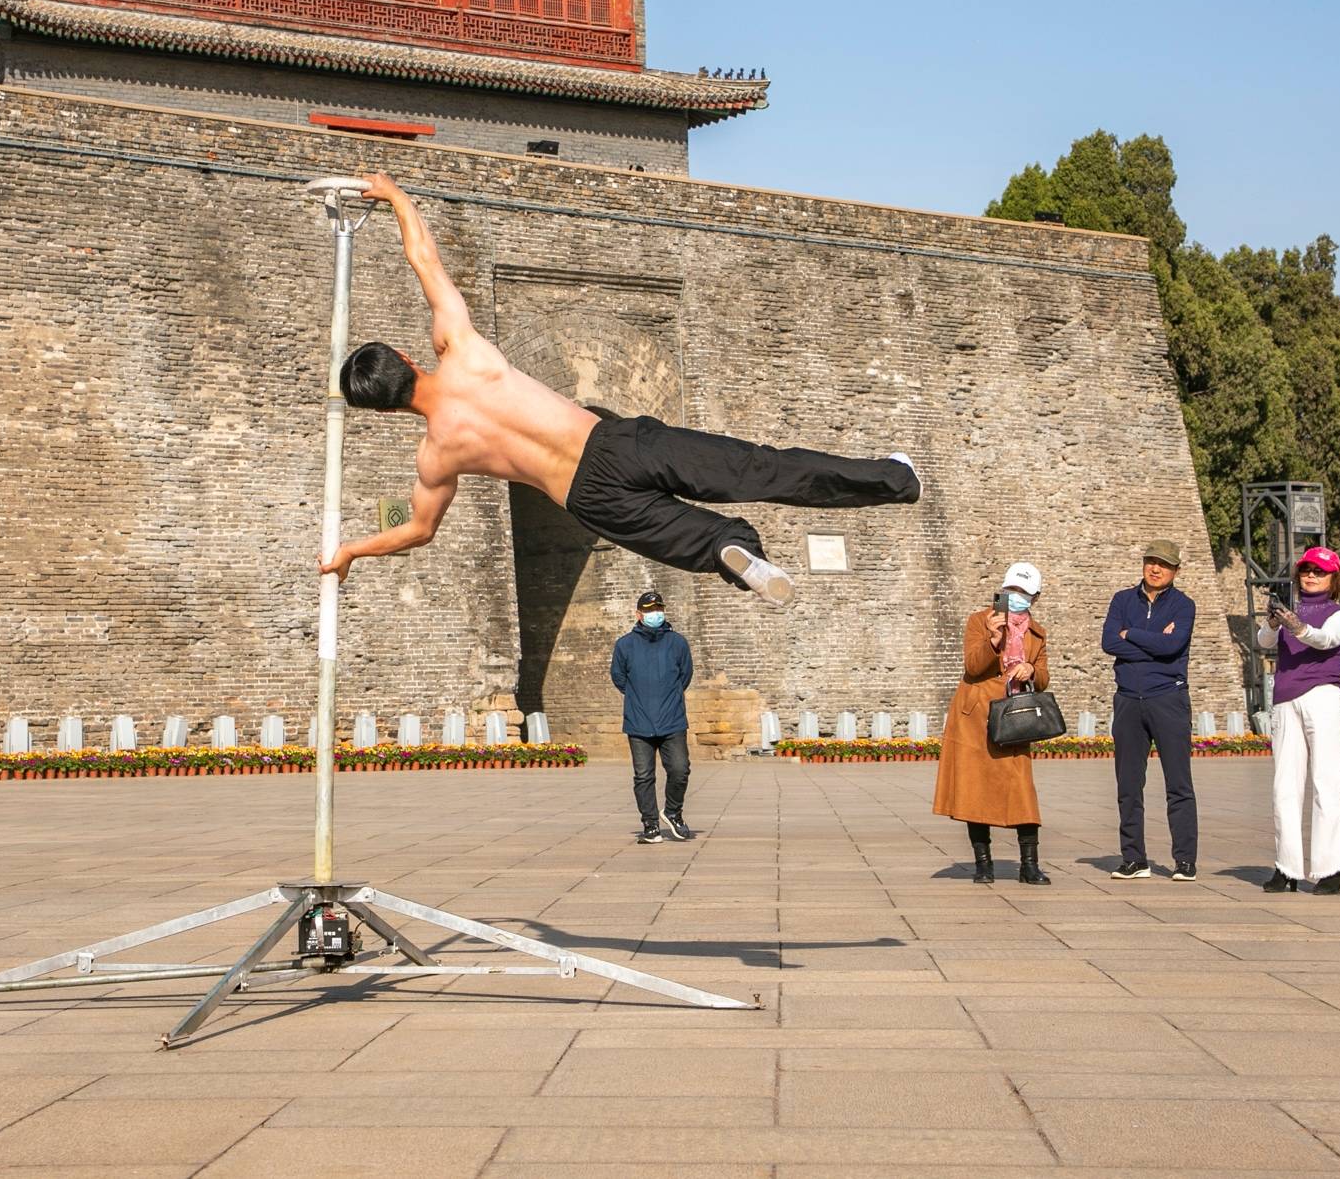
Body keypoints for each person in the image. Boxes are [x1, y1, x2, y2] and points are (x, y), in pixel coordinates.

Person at [323, 176, 919, 608]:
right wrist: (395, 195)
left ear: (384, 409)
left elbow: (418, 532)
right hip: (616, 444)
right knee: (759, 468)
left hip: (586, 498)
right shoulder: (461, 352)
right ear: (405, 359)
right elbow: (423, 259)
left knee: (701, 541)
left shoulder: (437, 455)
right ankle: (894, 478)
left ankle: (733, 552)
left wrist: (353, 549)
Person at [934, 561, 1053, 885]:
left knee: (1022, 789)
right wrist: (993, 638)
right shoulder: (979, 621)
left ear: (1035, 597)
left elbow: (1043, 677)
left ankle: (1029, 865)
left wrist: (1031, 669)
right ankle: (982, 864)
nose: (1016, 597)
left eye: (1024, 593)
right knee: (976, 790)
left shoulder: (1036, 633)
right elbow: (973, 667)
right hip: (975, 717)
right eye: (1012, 590)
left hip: (1014, 717)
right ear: (1002, 589)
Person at [1259, 547, 1340, 894]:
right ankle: (1287, 866)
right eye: (1306, 570)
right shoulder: (1289, 609)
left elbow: (1326, 639)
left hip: (1323, 695)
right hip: (1286, 697)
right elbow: (1263, 642)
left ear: (1333, 578)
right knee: (1284, 786)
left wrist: (1297, 626)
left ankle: (1332, 868)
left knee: (1327, 782)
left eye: (1320, 571)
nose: (1311, 576)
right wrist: (1273, 622)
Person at [1103, 538, 1198, 881]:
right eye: (1151, 561)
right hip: (1128, 699)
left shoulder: (1184, 605)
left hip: (1168, 699)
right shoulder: (1122, 600)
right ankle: (1134, 858)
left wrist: (1132, 635)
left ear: (1175, 570)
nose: (1156, 568)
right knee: (1128, 784)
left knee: (1179, 783)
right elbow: (1108, 642)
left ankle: (1185, 860)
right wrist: (1153, 639)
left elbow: (1174, 645)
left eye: (1164, 564)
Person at [610, 587, 694, 844]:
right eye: (649, 611)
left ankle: (673, 812)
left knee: (680, 769)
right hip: (639, 721)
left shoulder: (677, 643)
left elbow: (685, 676)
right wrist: (639, 696)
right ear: (638, 614)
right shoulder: (625, 645)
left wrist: (668, 695)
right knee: (644, 775)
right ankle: (650, 824)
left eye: (658, 609)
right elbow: (619, 677)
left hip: (672, 719)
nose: (654, 614)